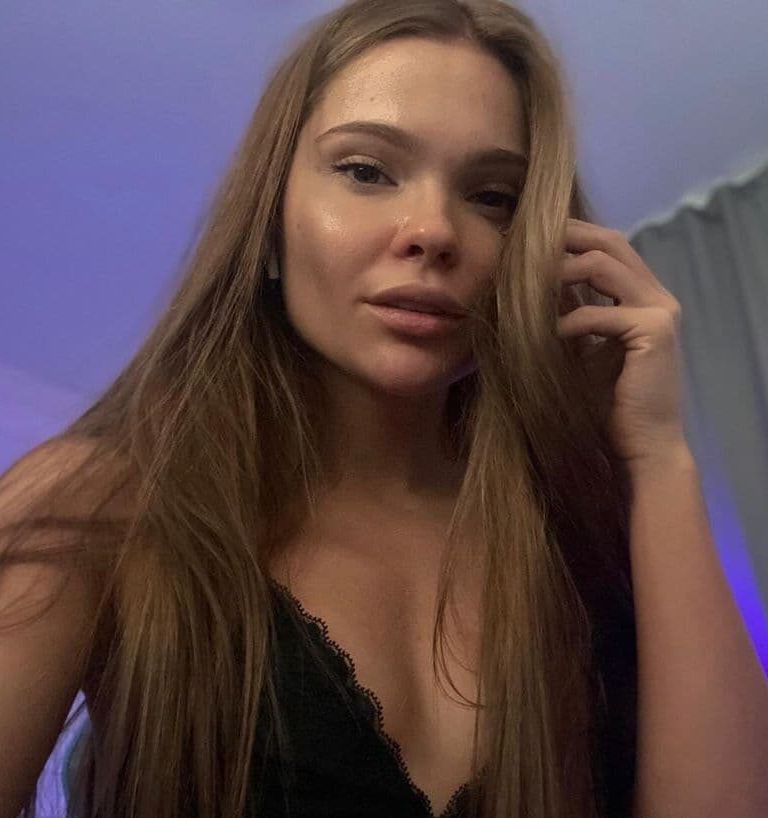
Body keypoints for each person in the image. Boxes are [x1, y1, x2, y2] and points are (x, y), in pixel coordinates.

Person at [0, 1, 638, 816]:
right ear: (268, 223)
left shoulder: (567, 536)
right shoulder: (96, 506)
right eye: (367, 171)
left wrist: (659, 458)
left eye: (493, 197)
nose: (434, 230)